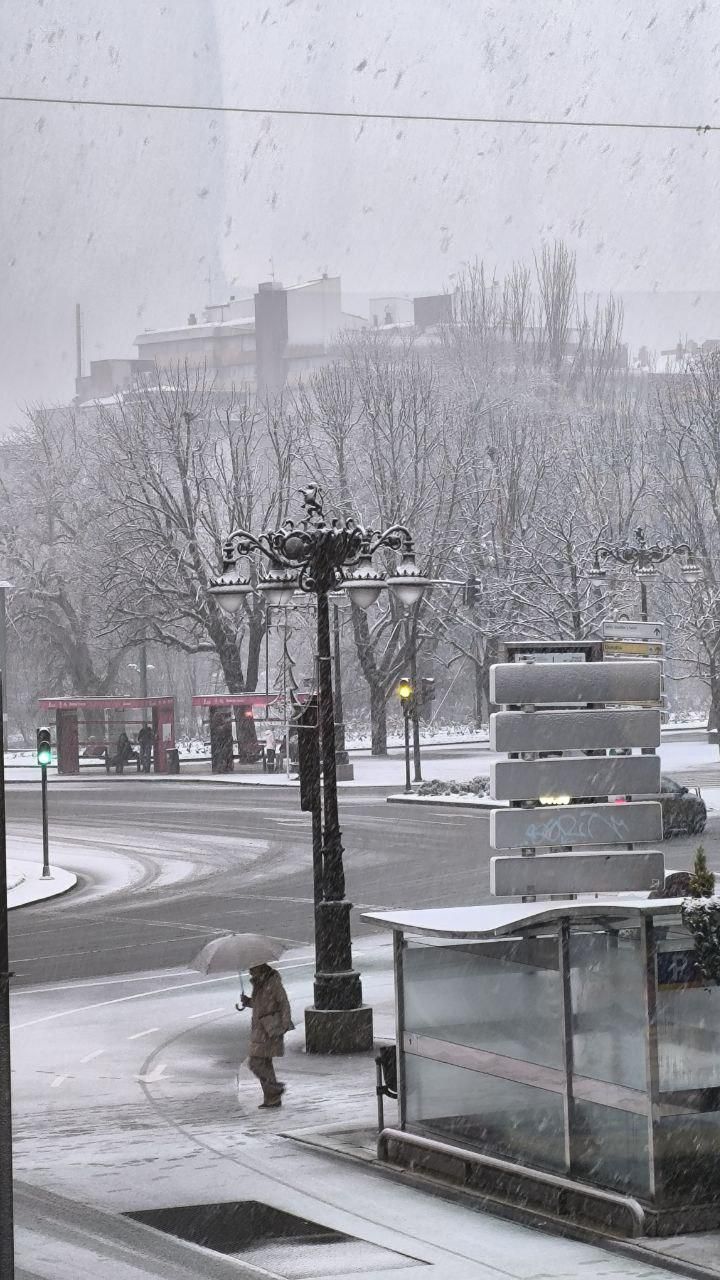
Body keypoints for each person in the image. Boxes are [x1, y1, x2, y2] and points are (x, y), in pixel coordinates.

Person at [236, 964, 294, 1108]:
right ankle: (272, 1099)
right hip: (260, 1029)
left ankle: (275, 1089)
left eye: (252, 968)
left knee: (255, 1063)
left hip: (270, 1028)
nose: (249, 971)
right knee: (265, 1064)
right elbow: (261, 1004)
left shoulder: (272, 982)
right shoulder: (259, 983)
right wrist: (248, 1001)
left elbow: (283, 1002)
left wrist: (284, 1024)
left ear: (260, 967)